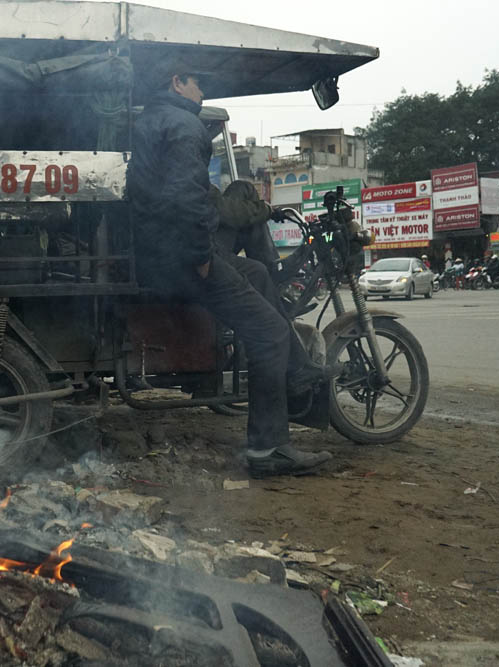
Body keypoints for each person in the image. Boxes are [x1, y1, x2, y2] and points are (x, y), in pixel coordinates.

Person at [127, 61, 333, 478]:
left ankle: (296, 371)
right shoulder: (185, 127)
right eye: (198, 81)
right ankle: (267, 448)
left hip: (158, 253)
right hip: (180, 261)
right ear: (177, 81)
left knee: (256, 272)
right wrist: (202, 256)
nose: (203, 92)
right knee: (270, 333)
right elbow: (188, 200)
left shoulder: (152, 119)